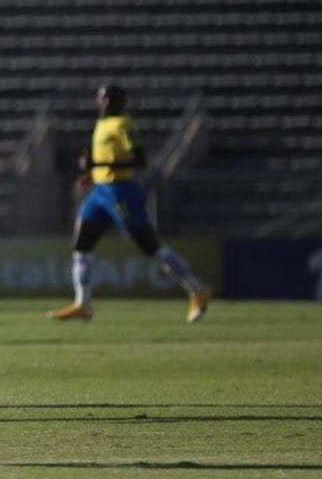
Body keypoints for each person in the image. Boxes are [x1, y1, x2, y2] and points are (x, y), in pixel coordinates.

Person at [50, 84, 212, 323]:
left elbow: (139, 158)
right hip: (99, 193)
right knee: (82, 244)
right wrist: (92, 172)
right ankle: (83, 303)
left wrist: (99, 165)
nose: (105, 102)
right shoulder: (102, 124)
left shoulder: (124, 125)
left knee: (149, 245)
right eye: (103, 98)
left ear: (119, 102)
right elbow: (108, 158)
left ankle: (197, 289)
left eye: (110, 98)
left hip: (121, 195)